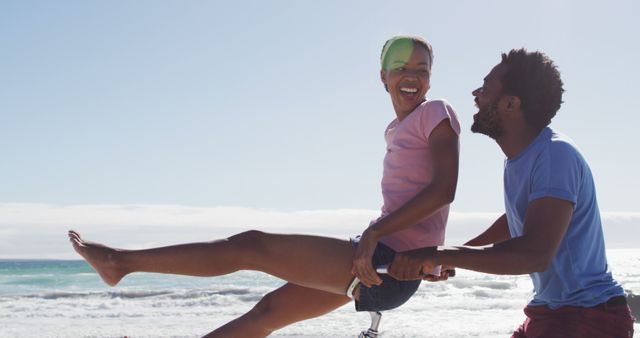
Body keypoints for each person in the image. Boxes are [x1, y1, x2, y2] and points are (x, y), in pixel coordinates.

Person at [68, 35, 461, 338]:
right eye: (400, 67)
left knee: (251, 245)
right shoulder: (396, 129)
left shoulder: (435, 112)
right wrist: (425, 253)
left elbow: (444, 191)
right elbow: (424, 210)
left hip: (388, 261)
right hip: (381, 258)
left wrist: (387, 237)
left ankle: (119, 262)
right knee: (268, 312)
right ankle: (119, 264)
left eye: (422, 69)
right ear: (383, 76)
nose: (412, 76)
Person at [388, 48, 636, 337]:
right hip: (550, 312)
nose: (475, 94)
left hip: (589, 317)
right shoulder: (522, 157)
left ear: (510, 104)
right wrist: (448, 257)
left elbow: (534, 254)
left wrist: (438, 253)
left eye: (485, 88)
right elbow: (517, 219)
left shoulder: (555, 154)